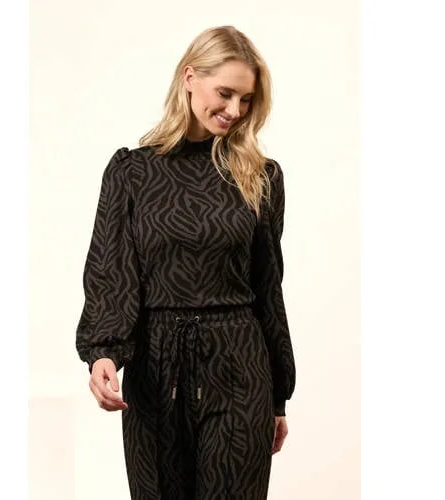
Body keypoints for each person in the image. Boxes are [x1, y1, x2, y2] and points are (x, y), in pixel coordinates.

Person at [76, 25, 296, 499]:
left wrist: (277, 397)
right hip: (156, 370)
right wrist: (103, 354)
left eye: (246, 100)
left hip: (240, 366)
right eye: (226, 93)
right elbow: (111, 270)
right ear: (190, 77)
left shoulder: (259, 177)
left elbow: (268, 287)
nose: (235, 110)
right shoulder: (132, 172)